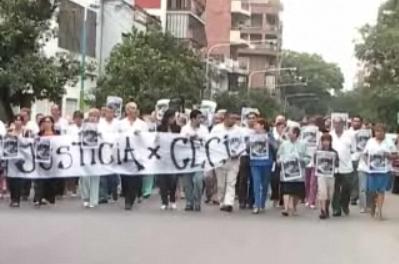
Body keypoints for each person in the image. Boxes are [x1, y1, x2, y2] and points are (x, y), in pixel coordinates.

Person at [362, 124, 396, 220]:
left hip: (384, 171)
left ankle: (379, 211)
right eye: (377, 131)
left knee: (381, 191)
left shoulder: (389, 142)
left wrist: (388, 155)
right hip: (372, 171)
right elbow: (364, 154)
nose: (378, 133)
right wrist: (367, 162)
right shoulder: (370, 141)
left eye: (381, 131)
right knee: (372, 191)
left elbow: (395, 155)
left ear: (384, 132)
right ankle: (373, 206)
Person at [118, 102, 148, 210]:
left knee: (135, 179)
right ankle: (126, 194)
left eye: (135, 108)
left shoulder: (142, 124)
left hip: (137, 155)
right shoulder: (120, 124)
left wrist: (140, 135)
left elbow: (147, 140)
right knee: (125, 178)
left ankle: (129, 200)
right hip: (124, 155)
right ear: (126, 111)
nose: (133, 110)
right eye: (130, 108)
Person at [212, 111, 242, 213]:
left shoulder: (239, 130)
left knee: (231, 182)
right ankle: (221, 201)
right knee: (221, 184)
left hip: (234, 160)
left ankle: (229, 203)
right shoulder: (216, 129)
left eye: (235, 119)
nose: (233, 121)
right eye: (231, 118)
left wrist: (238, 153)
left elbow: (243, 144)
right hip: (220, 160)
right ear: (225, 118)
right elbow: (211, 143)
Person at [181, 110, 209, 211]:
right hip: (187, 159)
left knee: (198, 180)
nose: (200, 120)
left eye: (201, 118)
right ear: (193, 119)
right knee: (187, 182)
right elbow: (180, 142)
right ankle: (189, 202)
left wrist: (199, 138)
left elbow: (208, 141)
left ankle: (197, 200)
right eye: (199, 118)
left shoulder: (204, 129)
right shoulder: (184, 129)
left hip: (199, 158)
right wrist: (189, 138)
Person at [278, 126, 309, 216]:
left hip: (298, 174)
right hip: (286, 173)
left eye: (290, 132)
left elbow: (308, 158)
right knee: (286, 190)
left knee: (296, 193)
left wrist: (301, 159)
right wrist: (280, 161)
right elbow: (279, 155)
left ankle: (294, 206)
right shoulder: (284, 144)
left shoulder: (303, 145)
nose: (288, 134)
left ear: (295, 134)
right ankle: (286, 208)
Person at [249, 118, 276, 214]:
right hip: (255, 163)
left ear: (262, 125)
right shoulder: (251, 136)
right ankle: (256, 204)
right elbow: (247, 148)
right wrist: (249, 144)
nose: (254, 126)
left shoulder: (269, 135)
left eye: (256, 124)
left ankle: (262, 203)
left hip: (266, 162)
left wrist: (268, 141)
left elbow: (275, 146)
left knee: (264, 184)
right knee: (256, 183)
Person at [330, 116, 355, 217]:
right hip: (334, 167)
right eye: (335, 123)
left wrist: (351, 159)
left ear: (343, 124)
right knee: (335, 188)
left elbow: (354, 150)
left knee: (347, 187)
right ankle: (336, 209)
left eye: (339, 123)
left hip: (347, 166)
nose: (337, 125)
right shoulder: (330, 135)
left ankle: (344, 204)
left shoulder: (349, 135)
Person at [157, 109, 181, 210]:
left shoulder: (178, 128)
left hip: (174, 156)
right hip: (162, 156)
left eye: (174, 117)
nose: (172, 119)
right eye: (171, 117)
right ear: (166, 118)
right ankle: (164, 201)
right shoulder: (160, 127)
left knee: (173, 179)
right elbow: (156, 140)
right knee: (162, 179)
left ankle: (172, 199)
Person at [33, 116, 58, 206]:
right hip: (41, 160)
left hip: (53, 159)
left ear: (52, 123)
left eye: (49, 122)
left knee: (51, 179)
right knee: (39, 180)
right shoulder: (39, 134)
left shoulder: (56, 135)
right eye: (45, 122)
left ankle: (49, 197)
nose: (47, 124)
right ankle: (38, 198)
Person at [79, 108, 101, 208]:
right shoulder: (84, 126)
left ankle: (94, 199)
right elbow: (78, 136)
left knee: (95, 176)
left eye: (96, 115)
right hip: (85, 153)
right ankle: (85, 197)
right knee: (84, 176)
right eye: (92, 115)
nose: (93, 117)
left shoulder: (102, 126)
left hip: (97, 154)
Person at [98, 106, 119, 203]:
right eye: (107, 112)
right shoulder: (100, 123)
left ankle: (112, 192)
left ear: (114, 113)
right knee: (102, 174)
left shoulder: (118, 123)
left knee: (113, 176)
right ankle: (103, 196)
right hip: (102, 151)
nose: (109, 114)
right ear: (105, 113)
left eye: (111, 112)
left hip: (114, 151)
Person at [315, 134, 339, 219]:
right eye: (324, 141)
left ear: (330, 142)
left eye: (327, 140)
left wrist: (334, 166)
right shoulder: (318, 152)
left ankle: (327, 208)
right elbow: (315, 162)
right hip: (321, 175)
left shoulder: (334, 152)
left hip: (331, 175)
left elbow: (337, 163)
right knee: (322, 192)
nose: (325, 142)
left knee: (330, 194)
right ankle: (323, 210)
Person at [237, 111, 257, 209]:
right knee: (243, 179)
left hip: (255, 156)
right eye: (249, 118)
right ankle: (242, 200)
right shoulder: (242, 131)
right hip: (244, 155)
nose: (251, 120)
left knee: (253, 179)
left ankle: (251, 201)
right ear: (246, 120)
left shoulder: (258, 131)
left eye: (253, 118)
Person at [7, 115, 25, 207]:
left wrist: (18, 138)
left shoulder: (26, 132)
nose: (18, 122)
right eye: (16, 120)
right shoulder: (10, 131)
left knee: (18, 179)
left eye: (20, 120)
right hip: (10, 158)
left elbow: (27, 142)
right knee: (10, 179)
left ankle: (16, 199)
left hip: (21, 158)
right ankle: (12, 197)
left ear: (22, 122)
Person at [302, 117, 321, 209]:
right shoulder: (303, 132)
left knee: (313, 182)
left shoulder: (319, 134)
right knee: (306, 181)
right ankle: (307, 197)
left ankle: (312, 200)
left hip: (315, 160)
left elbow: (320, 146)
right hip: (306, 159)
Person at [50, 104, 68, 198]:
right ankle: (52, 190)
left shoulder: (63, 122)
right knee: (52, 168)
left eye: (56, 110)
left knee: (61, 168)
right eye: (52, 110)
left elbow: (66, 134)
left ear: (59, 111)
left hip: (61, 147)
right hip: (51, 147)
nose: (54, 112)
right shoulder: (48, 120)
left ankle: (61, 191)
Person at [66, 111, 84, 197]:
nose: (78, 120)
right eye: (76, 118)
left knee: (81, 170)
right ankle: (72, 189)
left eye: (80, 118)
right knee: (72, 171)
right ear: (74, 119)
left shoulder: (85, 128)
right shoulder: (70, 128)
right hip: (73, 150)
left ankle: (79, 187)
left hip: (83, 151)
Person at [271, 116, 287, 207]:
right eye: (279, 125)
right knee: (275, 180)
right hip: (275, 160)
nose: (282, 128)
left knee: (284, 181)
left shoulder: (287, 135)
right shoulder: (272, 135)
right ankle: (275, 197)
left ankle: (283, 199)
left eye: (283, 126)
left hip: (285, 161)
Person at [349, 115, 363, 206]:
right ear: (352, 122)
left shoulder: (364, 133)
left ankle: (355, 197)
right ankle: (351, 196)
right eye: (355, 121)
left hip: (361, 158)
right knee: (351, 179)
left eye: (358, 121)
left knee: (357, 179)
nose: (356, 123)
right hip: (350, 157)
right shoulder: (347, 133)